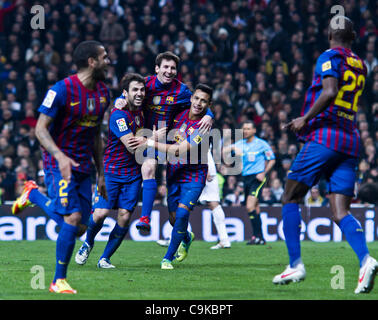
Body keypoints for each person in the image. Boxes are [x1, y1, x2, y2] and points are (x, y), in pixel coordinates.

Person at [272, 17, 378, 294]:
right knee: (340, 211)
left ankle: (295, 263)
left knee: (290, 196)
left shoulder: (329, 56)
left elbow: (330, 92)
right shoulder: (361, 65)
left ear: (329, 33)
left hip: (325, 137)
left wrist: (304, 118)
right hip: (350, 139)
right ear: (354, 36)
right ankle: (365, 260)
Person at [12, 40, 110, 294]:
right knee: (73, 216)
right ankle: (58, 281)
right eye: (104, 57)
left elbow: (96, 136)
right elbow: (40, 129)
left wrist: (100, 172)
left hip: (83, 165)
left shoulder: (103, 93)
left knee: (79, 227)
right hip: (57, 162)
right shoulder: (62, 90)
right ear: (91, 61)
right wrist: (60, 156)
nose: (108, 61)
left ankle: (32, 194)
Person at [74, 73, 163, 268]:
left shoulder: (141, 111)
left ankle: (104, 258)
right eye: (135, 90)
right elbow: (131, 146)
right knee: (100, 213)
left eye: (141, 90)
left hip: (132, 175)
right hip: (112, 172)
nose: (139, 93)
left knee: (124, 216)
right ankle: (88, 242)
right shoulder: (118, 115)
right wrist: (152, 137)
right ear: (125, 93)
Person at [130, 83, 213, 269]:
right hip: (175, 172)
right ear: (191, 98)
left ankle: (167, 258)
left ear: (209, 104)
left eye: (204, 101)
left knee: (183, 213)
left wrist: (149, 142)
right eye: (197, 98)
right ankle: (186, 237)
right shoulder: (178, 114)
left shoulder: (203, 127)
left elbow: (179, 151)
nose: (199, 103)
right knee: (174, 219)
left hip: (194, 174)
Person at [130, 51, 213, 232]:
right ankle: (143, 216)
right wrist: (121, 101)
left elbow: (199, 103)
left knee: (149, 168)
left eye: (173, 68)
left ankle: (145, 218)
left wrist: (209, 116)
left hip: (167, 139)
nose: (169, 71)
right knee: (144, 170)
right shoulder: (146, 84)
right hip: (143, 134)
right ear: (157, 68)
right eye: (165, 67)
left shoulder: (182, 90)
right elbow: (130, 94)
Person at [156, 149, 231, 250]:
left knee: (183, 202)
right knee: (212, 202)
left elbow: (201, 142)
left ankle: (173, 238)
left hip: (198, 163)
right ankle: (224, 239)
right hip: (199, 162)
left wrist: (206, 167)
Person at [225, 120, 276, 245]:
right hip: (245, 177)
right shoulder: (239, 144)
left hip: (257, 178)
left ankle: (256, 236)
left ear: (254, 130)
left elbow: (272, 159)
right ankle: (259, 237)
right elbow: (227, 155)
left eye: (248, 128)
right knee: (255, 208)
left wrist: (264, 172)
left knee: (249, 206)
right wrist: (229, 149)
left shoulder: (262, 144)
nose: (246, 131)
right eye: (244, 129)